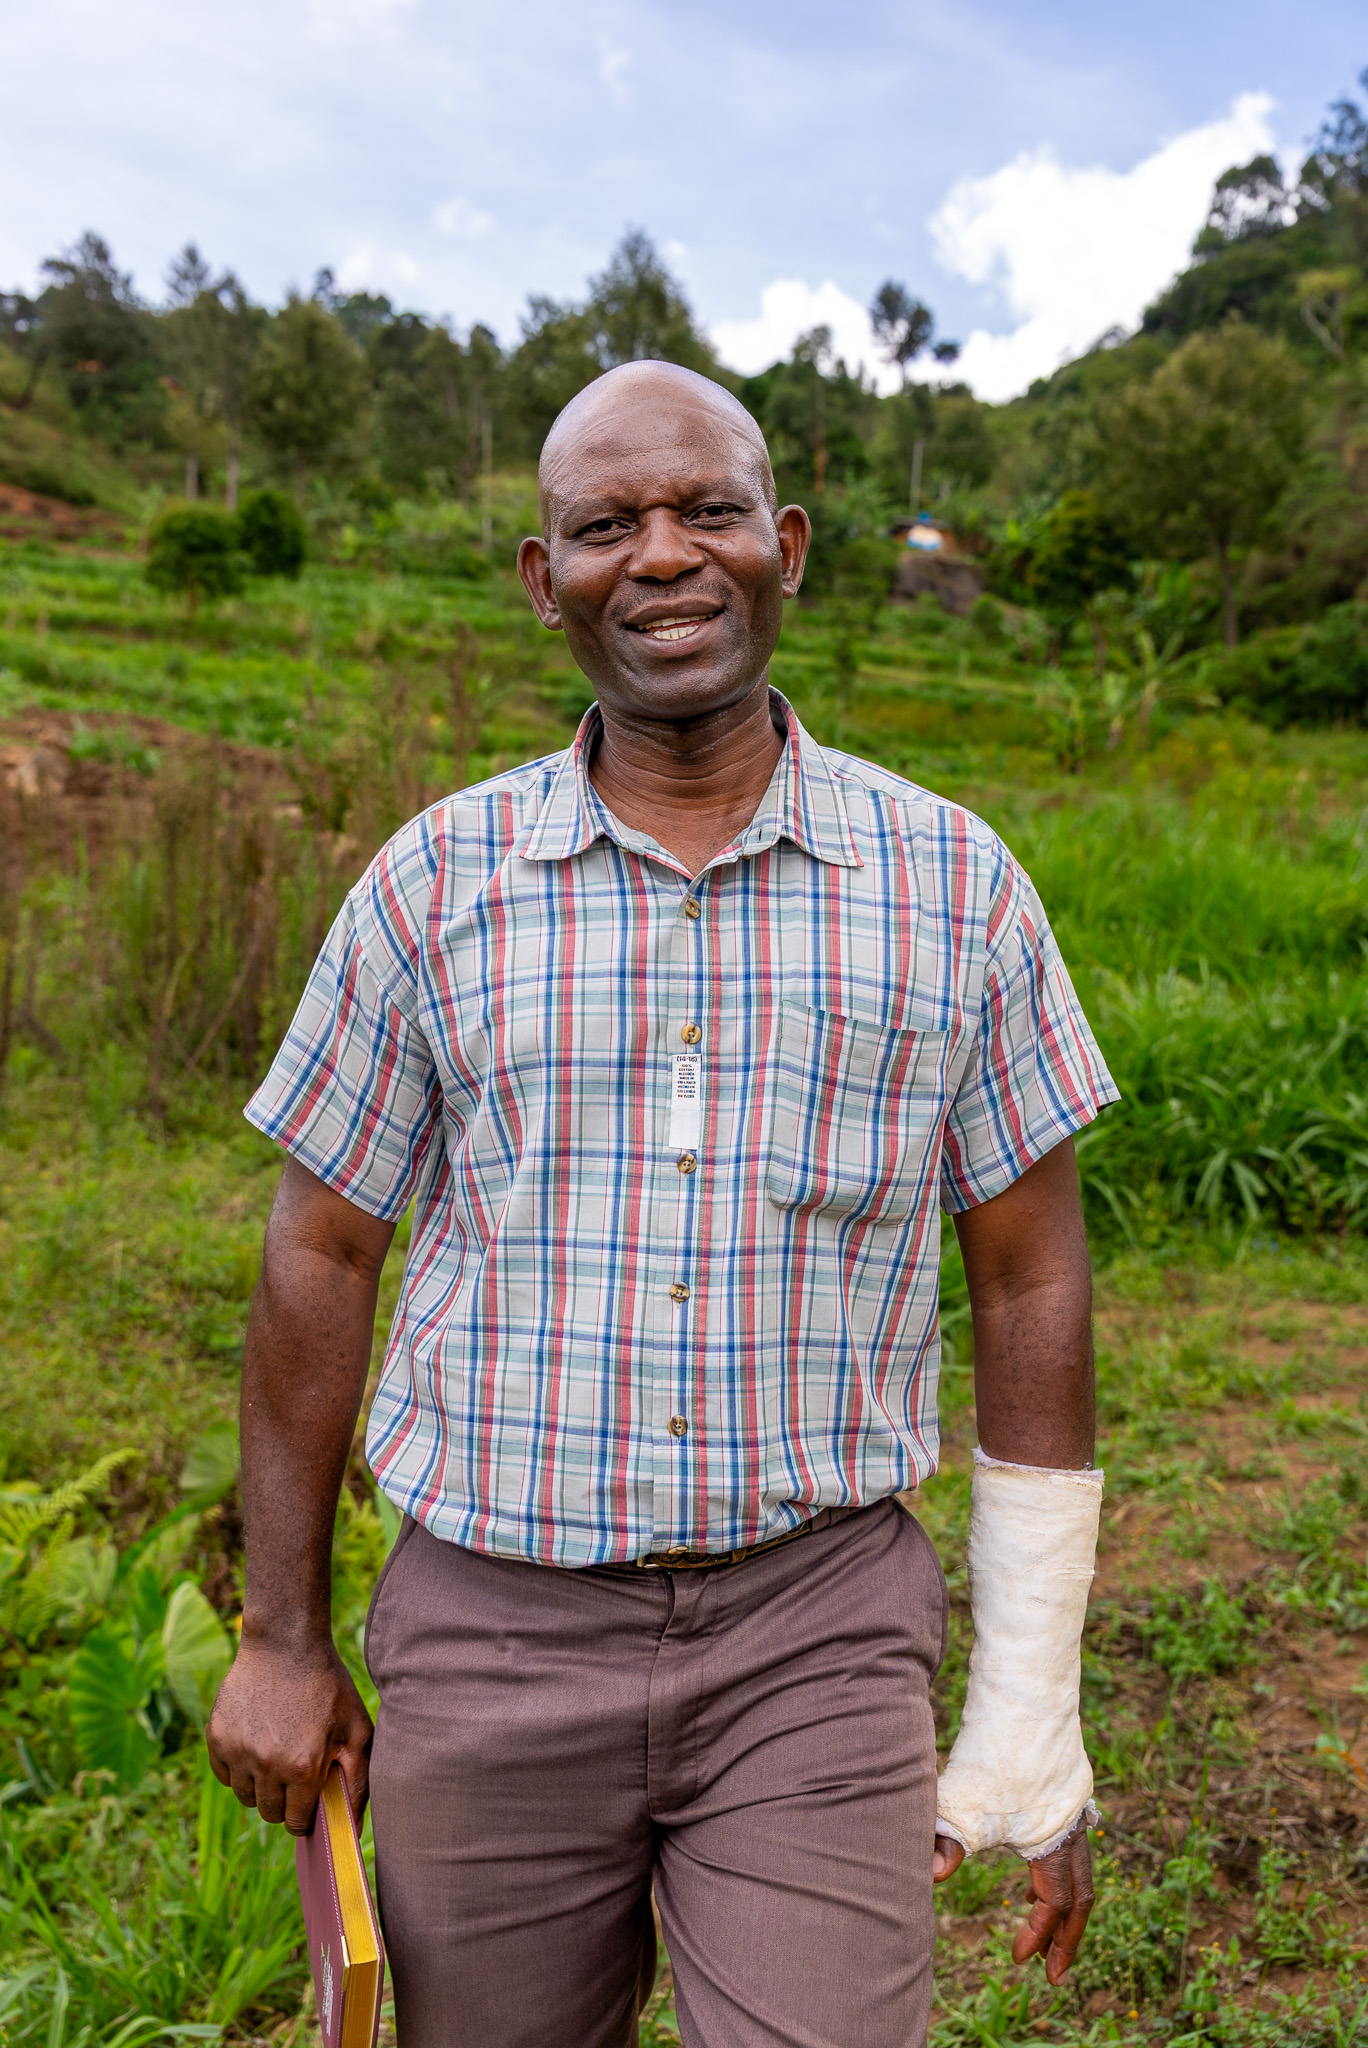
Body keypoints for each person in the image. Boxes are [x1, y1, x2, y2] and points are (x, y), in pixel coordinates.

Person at [207, 360, 1118, 2048]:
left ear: (786, 546)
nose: (665, 555)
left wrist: (1030, 1707)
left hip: (816, 1631)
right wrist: (279, 1635)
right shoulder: (432, 888)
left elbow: (1030, 1283)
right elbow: (321, 1253)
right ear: (544, 583)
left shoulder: (956, 886)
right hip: (492, 1630)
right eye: (606, 525)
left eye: (706, 511)